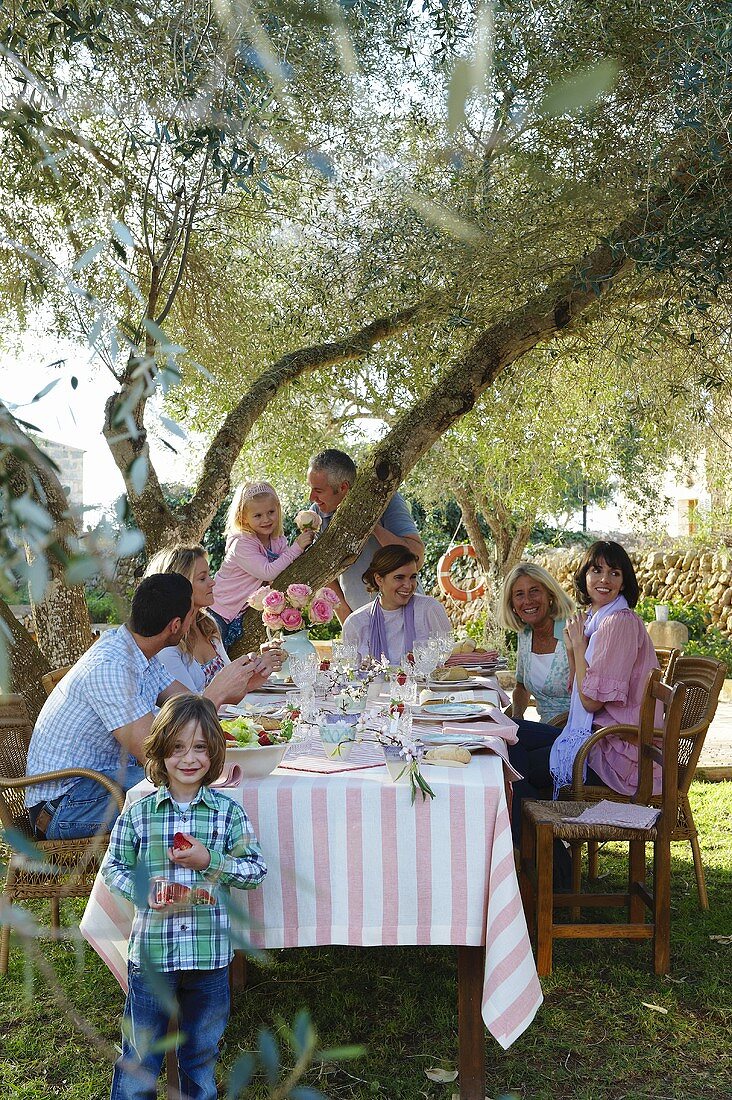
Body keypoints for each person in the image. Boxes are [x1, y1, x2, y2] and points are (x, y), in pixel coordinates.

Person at [25, 573, 278, 841]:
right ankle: (201, 873)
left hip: (101, 786)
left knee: (201, 776)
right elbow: (154, 754)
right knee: (188, 781)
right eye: (192, 614)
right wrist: (215, 695)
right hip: (64, 808)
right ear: (176, 625)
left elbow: (184, 705)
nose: (195, 621)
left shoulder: (137, 652)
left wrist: (240, 685)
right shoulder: (111, 667)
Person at [102, 694, 267, 1100]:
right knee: (141, 1056)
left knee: (200, 1054)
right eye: (177, 748)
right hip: (153, 958)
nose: (188, 758)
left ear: (214, 752)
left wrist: (209, 860)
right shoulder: (139, 813)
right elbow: (113, 868)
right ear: (160, 751)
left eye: (199, 748)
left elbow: (255, 871)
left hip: (209, 958)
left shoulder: (228, 814)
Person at [550, 539, 660, 797]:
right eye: (596, 570)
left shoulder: (618, 624)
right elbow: (578, 688)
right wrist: (572, 647)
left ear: (624, 582)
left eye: (614, 573)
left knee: (514, 758)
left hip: (619, 752)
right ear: (584, 576)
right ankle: (548, 832)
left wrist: (578, 645)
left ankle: (551, 833)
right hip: (597, 738)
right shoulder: (596, 621)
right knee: (513, 737)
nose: (605, 579)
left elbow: (589, 702)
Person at [498, 563, 574, 849]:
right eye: (519, 595)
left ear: (550, 594)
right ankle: (548, 856)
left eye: (534, 592)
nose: (527, 601)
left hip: (577, 737)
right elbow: (520, 686)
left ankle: (535, 855)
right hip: (546, 733)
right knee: (510, 753)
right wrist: (517, 716)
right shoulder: (525, 635)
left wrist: (515, 727)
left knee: (508, 758)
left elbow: (589, 694)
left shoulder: (571, 630)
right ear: (512, 605)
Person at [144, 543, 283, 694]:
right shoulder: (166, 644)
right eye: (202, 578)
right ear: (179, 586)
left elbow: (231, 690)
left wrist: (254, 670)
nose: (213, 582)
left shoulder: (207, 624)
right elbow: (188, 707)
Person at [307, 449, 425, 622]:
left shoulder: (386, 500)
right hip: (362, 623)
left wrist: (370, 524)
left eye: (318, 490)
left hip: (408, 616)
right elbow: (326, 575)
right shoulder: (316, 516)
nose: (312, 497)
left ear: (343, 488)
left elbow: (417, 557)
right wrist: (349, 621)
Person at [210, 480, 315, 649]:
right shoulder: (242, 543)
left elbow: (287, 567)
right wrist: (297, 547)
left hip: (239, 612)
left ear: (278, 509)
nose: (266, 519)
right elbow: (268, 572)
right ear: (243, 517)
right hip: (219, 610)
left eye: (271, 512)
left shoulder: (277, 541)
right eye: (258, 515)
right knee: (215, 656)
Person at [341, 545, 451, 664]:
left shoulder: (429, 609)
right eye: (399, 578)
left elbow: (445, 660)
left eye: (413, 577)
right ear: (379, 579)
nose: (408, 585)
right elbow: (351, 675)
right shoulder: (356, 623)